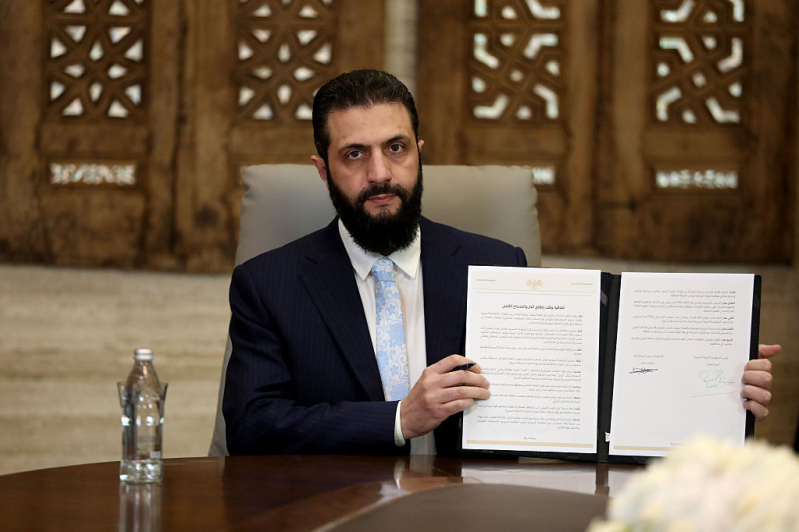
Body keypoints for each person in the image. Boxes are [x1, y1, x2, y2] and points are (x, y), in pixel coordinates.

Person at [223, 69, 778, 456]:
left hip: (473, 509)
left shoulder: (496, 265)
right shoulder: (268, 284)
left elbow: (585, 399)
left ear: (421, 150)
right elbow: (253, 426)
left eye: (396, 148)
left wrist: (714, 387)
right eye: (354, 155)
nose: (380, 175)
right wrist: (398, 419)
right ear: (322, 170)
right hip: (334, 508)